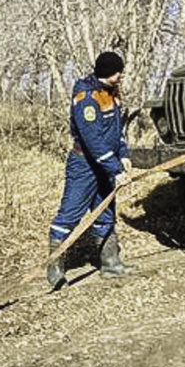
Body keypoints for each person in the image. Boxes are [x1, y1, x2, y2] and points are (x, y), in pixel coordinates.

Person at [48, 50, 134, 289]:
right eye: (118, 72)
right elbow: (92, 139)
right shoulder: (86, 97)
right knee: (69, 215)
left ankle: (111, 264)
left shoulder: (112, 93)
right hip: (84, 165)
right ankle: (55, 270)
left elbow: (118, 130)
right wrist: (115, 169)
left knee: (105, 213)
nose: (120, 76)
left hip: (106, 164)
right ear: (109, 72)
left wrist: (124, 155)